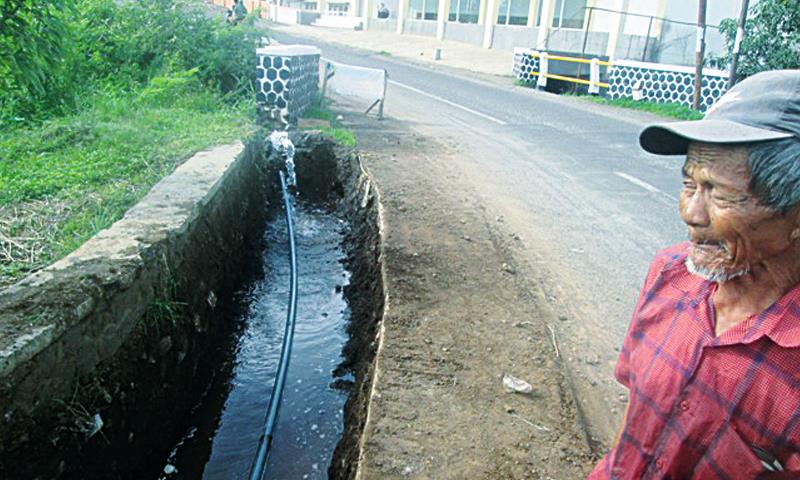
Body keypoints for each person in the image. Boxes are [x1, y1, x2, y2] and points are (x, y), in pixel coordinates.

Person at [588, 70, 800, 479]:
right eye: (690, 184)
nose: (690, 212)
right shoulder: (669, 272)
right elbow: (637, 410)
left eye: (718, 192)